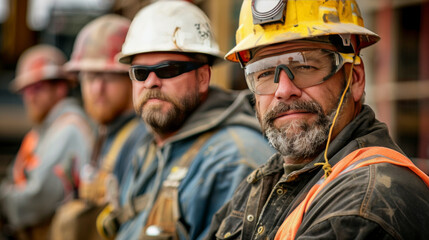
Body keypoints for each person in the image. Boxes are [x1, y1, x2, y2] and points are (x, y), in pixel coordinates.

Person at [206, 0, 429, 239]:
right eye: (265, 73)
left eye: (304, 66)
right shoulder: (269, 179)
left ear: (355, 79)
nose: (283, 90)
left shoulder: (365, 205)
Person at [96, 1, 275, 240]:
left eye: (167, 70)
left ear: (203, 77)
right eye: (140, 72)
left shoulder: (231, 161)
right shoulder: (151, 145)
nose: (150, 82)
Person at [49, 14, 147, 240]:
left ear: (133, 78)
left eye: (109, 77)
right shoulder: (104, 131)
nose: (97, 89)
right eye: (90, 77)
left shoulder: (140, 140)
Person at [0, 44, 94, 240]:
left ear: (60, 88)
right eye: (26, 90)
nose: (30, 97)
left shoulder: (68, 129)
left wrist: (4, 199)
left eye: (38, 88)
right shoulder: (44, 130)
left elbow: (36, 199)